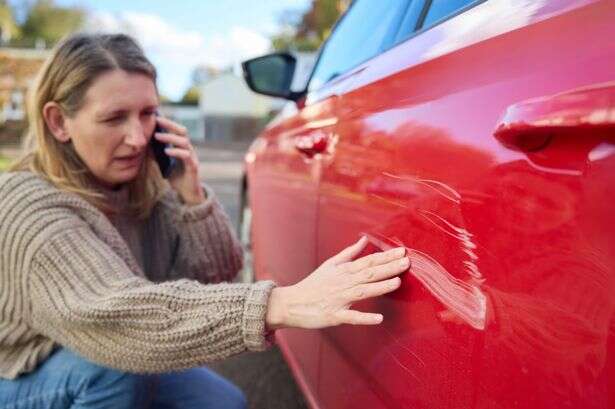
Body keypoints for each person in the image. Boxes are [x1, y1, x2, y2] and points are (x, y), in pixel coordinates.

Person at [0, 33, 409, 408]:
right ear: (58, 122)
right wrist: (282, 303)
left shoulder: (146, 186)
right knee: (113, 373)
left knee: (222, 402)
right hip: (25, 369)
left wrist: (191, 195)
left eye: (147, 114)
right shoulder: (29, 205)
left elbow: (212, 280)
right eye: (114, 118)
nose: (139, 138)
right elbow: (114, 318)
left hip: (98, 354)